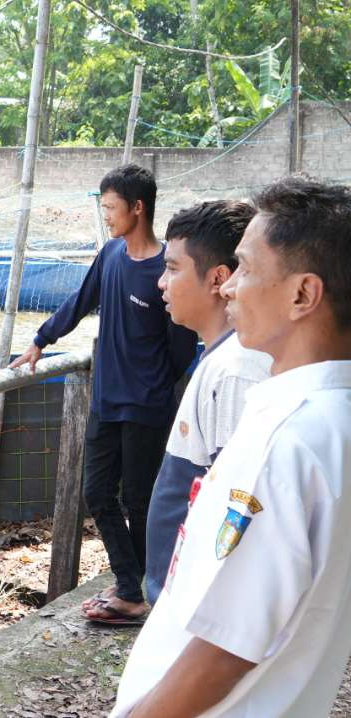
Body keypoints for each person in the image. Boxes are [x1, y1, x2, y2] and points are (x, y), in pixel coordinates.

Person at [112, 176, 351, 717]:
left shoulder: (289, 439)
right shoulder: (329, 418)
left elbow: (225, 647)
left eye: (244, 268)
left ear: (302, 295)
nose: (228, 287)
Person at [10, 164, 197, 624]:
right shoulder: (111, 254)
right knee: (97, 492)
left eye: (112, 208)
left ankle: (136, 590)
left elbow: (180, 347)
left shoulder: (164, 269)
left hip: (146, 405)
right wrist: (41, 340)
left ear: (138, 208)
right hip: (106, 400)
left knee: (139, 499)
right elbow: (79, 301)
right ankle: (132, 584)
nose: (107, 216)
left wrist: (151, 382)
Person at [144, 200, 271, 608]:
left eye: (173, 268)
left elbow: (235, 515)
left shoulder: (236, 370)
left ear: (218, 278)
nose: (161, 283)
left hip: (197, 606)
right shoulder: (221, 358)